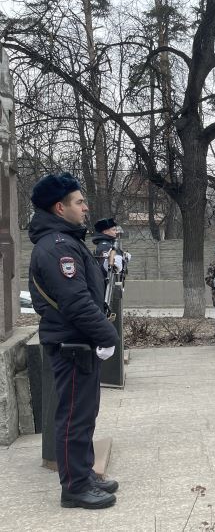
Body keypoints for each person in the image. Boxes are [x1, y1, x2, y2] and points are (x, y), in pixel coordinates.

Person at [28, 172, 119, 509]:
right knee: (73, 417)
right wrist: (108, 334)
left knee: (84, 414)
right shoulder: (57, 246)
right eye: (79, 202)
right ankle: (75, 487)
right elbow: (76, 301)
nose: (85, 207)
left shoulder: (66, 241)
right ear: (58, 207)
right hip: (72, 345)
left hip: (80, 343)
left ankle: (83, 472)